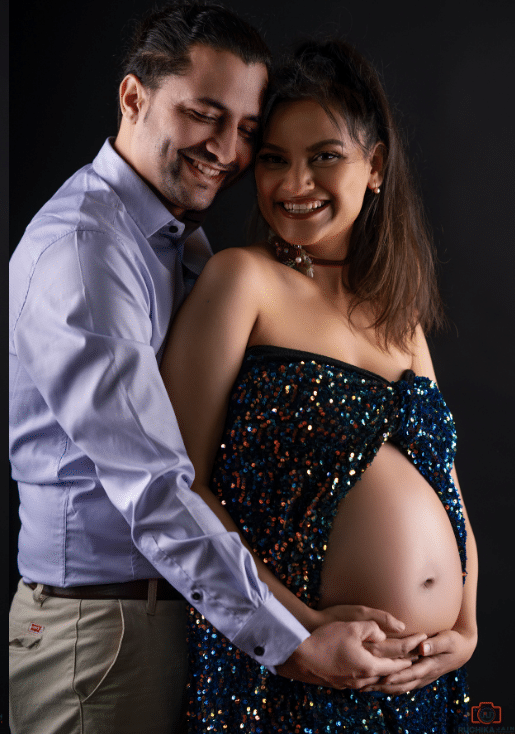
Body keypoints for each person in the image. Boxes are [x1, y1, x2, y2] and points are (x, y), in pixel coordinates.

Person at [8, 0, 422, 734]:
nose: (226, 150)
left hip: (194, 616)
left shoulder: (176, 243)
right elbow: (157, 488)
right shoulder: (87, 250)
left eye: (246, 132)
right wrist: (296, 640)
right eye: (204, 115)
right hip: (105, 630)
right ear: (134, 97)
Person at [161, 38, 476, 731]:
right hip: (294, 673)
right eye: (274, 159)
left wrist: (468, 625)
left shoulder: (402, 316)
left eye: (323, 156)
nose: (293, 183)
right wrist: (299, 631)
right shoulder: (242, 282)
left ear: (376, 167)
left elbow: (445, 483)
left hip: (421, 684)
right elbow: (178, 486)